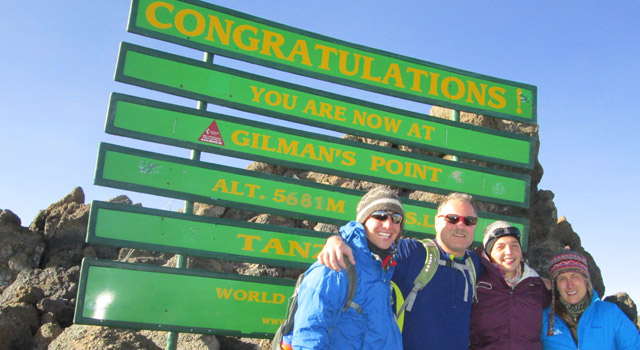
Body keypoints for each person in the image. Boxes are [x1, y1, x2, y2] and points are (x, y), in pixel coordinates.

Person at [318, 192, 483, 350]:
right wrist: (336, 240)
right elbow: (367, 247)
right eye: (452, 219)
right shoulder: (413, 252)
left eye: (469, 221)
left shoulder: (474, 263)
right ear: (437, 222)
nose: (461, 226)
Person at [290, 185, 403, 349]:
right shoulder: (334, 265)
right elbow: (308, 336)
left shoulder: (383, 270)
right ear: (363, 221)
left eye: (396, 218)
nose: (388, 225)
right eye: (380, 216)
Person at [469, 220, 551, 350]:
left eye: (514, 245)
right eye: (500, 247)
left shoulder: (537, 285)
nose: (509, 252)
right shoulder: (475, 283)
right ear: (489, 253)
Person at [541, 249, 640, 349]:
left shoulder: (610, 313)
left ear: (586, 280)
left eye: (575, 276)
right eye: (562, 279)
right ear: (556, 285)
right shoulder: (545, 319)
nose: (569, 285)